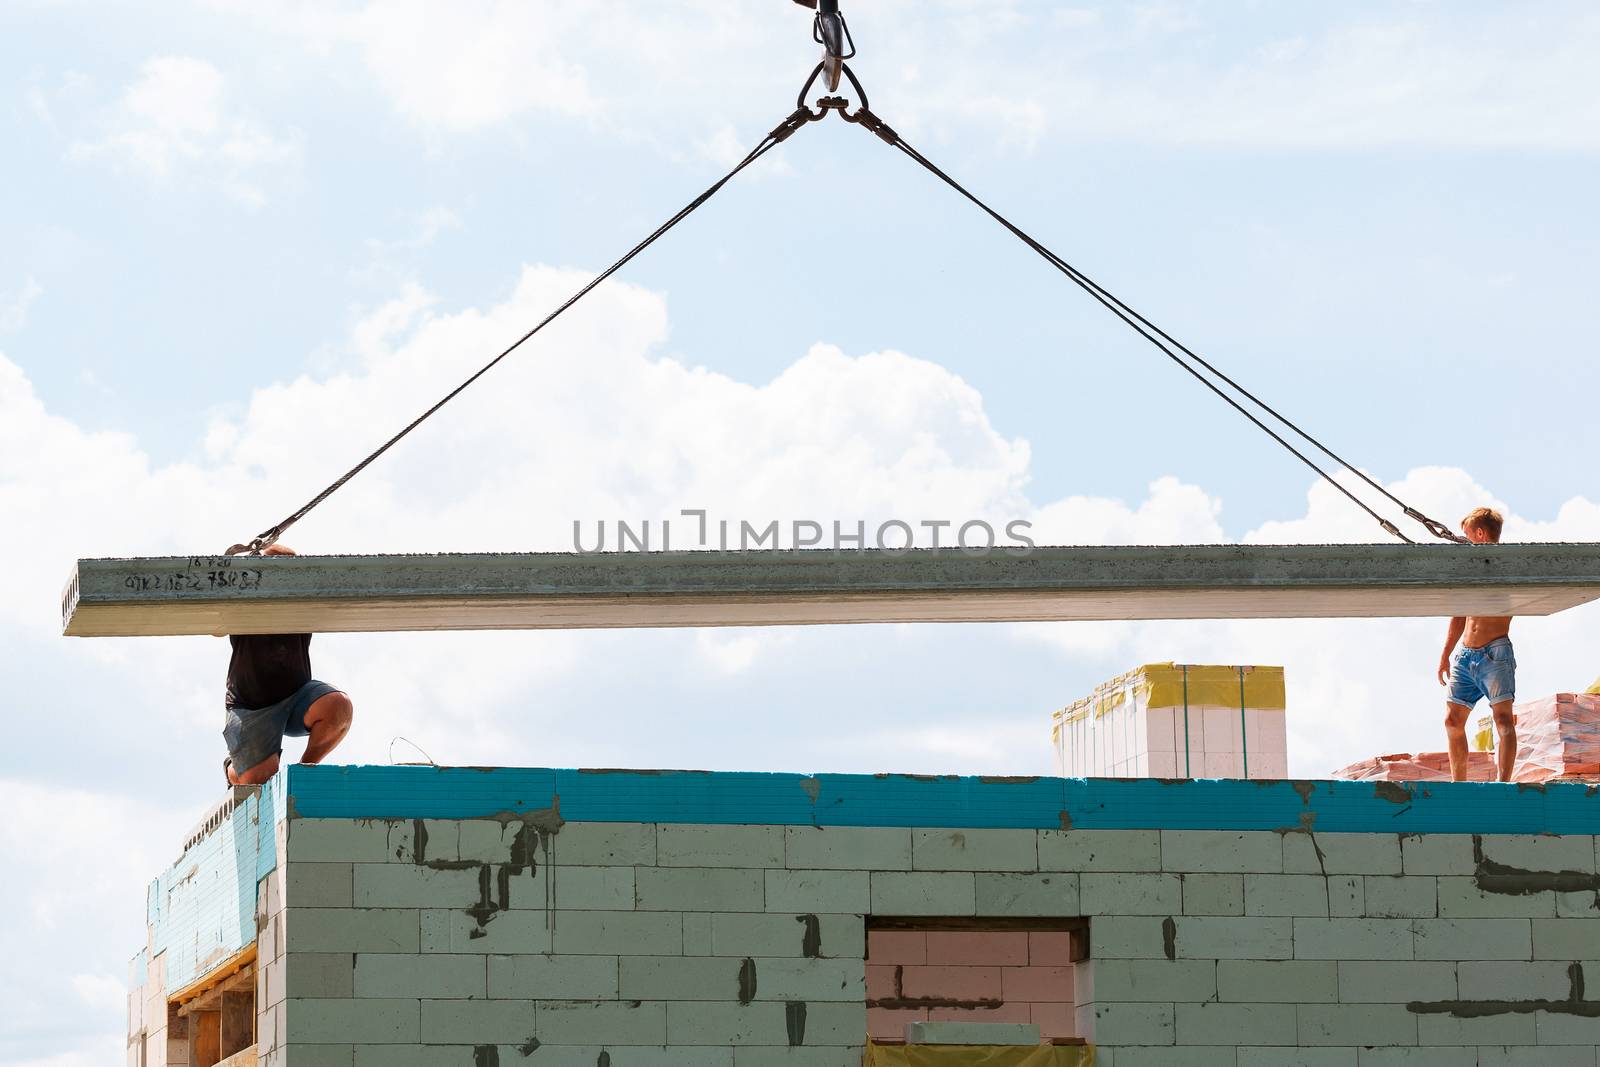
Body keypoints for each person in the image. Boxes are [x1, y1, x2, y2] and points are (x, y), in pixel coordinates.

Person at [222, 544, 354, 785]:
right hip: (252, 707)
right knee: (257, 779)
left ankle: (306, 771)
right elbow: (214, 627)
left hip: (297, 697)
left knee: (338, 707)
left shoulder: (302, 600)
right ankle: (235, 767)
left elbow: (337, 595)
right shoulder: (244, 602)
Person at [1438, 507, 1516, 783]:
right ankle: (1458, 784)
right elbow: (1459, 614)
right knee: (1452, 721)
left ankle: (1503, 785)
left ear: (1480, 534)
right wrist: (1446, 654)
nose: (1465, 541)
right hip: (1465, 655)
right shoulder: (1470, 570)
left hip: (1495, 652)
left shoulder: (1507, 566)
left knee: (1503, 720)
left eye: (1468, 536)